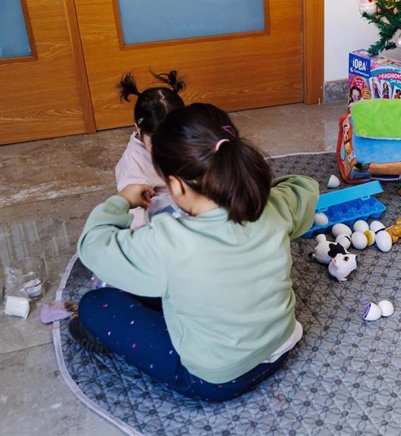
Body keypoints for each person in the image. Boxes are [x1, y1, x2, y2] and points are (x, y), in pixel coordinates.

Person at [70, 103, 319, 402]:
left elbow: (92, 246)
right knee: (163, 283)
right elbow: (304, 186)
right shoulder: (273, 207)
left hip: (215, 379)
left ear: (175, 185)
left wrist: (122, 200)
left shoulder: (166, 241)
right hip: (280, 345)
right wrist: (256, 190)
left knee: (95, 305)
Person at [115, 70, 186, 229]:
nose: (166, 147)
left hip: (185, 196)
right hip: (154, 208)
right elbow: (135, 204)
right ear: (138, 130)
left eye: (174, 138)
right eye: (157, 142)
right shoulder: (133, 162)